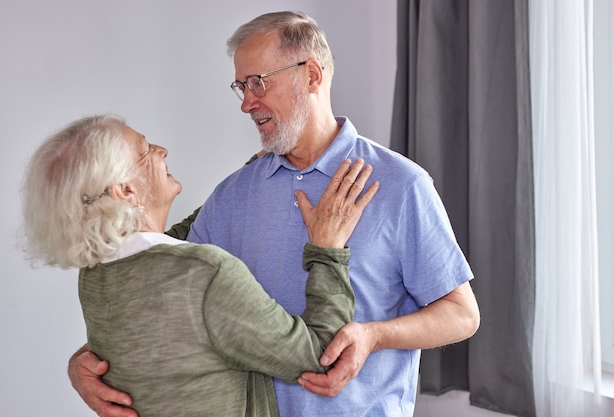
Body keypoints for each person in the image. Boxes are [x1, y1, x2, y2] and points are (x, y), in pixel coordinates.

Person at [69, 10, 480, 417]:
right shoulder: (233, 193)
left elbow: (462, 314)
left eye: (258, 83)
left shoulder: (399, 184)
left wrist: (375, 336)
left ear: (312, 76)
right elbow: (161, 288)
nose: (247, 103)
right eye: (241, 86)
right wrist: (86, 361)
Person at [22, 114, 379, 417]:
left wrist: (249, 174)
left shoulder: (97, 276)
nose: (162, 151)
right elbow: (322, 356)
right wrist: (328, 249)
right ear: (126, 192)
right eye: (146, 151)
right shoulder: (205, 274)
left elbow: (174, 242)